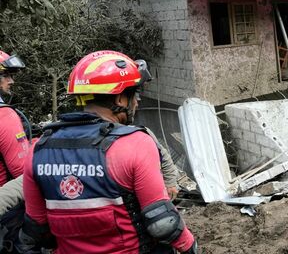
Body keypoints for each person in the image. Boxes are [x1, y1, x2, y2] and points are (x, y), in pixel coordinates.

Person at [20, 51, 197, 254]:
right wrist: (190, 246)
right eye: (134, 95)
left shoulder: (39, 149)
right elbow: (162, 222)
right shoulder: (134, 143)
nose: (137, 102)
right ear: (121, 99)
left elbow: (35, 226)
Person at [0, 51, 32, 253]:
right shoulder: (5, 116)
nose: (11, 81)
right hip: (7, 217)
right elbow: (23, 172)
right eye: (5, 75)